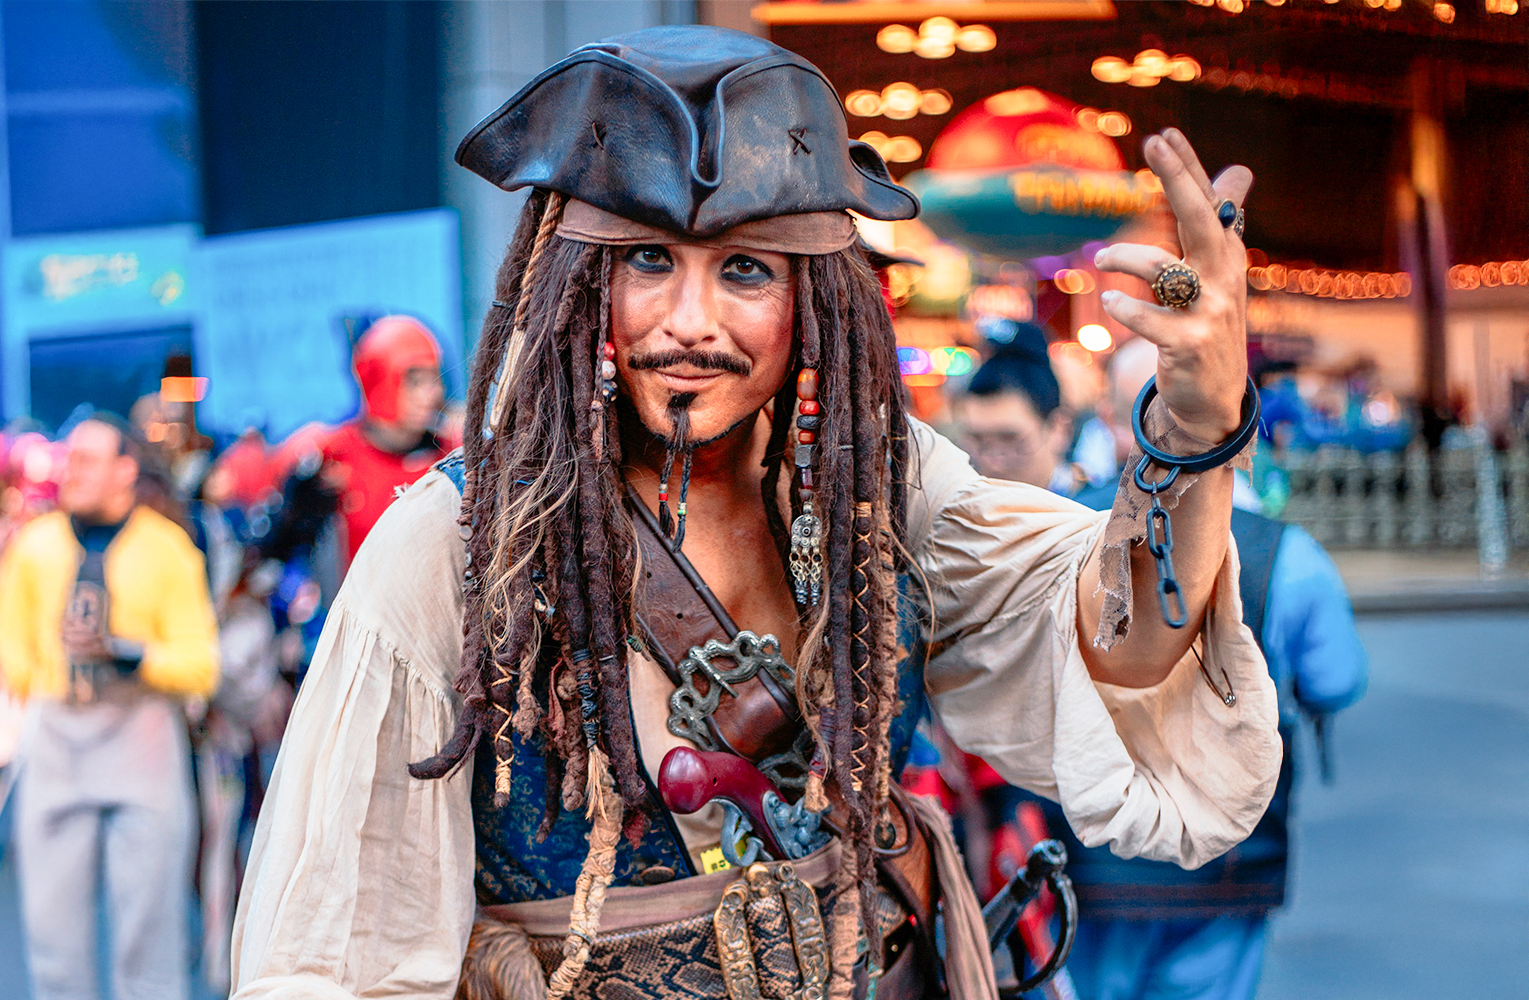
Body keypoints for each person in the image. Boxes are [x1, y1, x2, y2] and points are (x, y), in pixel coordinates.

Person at [231, 26, 1281, 1000]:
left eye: (744, 270)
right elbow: (333, 954)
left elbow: (1128, 645)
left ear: (813, 297)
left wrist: (1195, 431)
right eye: (648, 260)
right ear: (578, 282)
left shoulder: (877, 485)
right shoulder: (458, 544)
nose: (691, 322)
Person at [992, 340, 1367, 1000]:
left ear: (1112, 422)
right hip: (1226, 865)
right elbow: (1335, 682)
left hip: (1084, 858)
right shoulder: (1290, 556)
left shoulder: (1058, 534)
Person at [0, 413, 219, 1000]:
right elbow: (4, 630)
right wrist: (35, 680)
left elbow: (201, 663)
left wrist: (129, 655)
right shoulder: (35, 544)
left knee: (150, 931)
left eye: (89, 460)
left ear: (125, 470)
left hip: (142, 738)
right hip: (58, 736)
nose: (73, 471)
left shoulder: (167, 549)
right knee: (53, 935)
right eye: (71, 459)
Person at [317, 314, 455, 564]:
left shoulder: (450, 452)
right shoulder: (332, 453)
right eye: (415, 382)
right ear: (378, 379)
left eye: (434, 379)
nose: (431, 394)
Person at [953, 320, 1088, 495]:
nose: (992, 463)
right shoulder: (964, 505)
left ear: (1059, 429)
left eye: (1009, 439)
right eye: (977, 440)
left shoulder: (1099, 507)